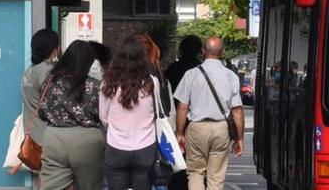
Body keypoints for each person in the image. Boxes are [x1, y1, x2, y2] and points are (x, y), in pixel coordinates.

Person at [174, 37, 244, 190]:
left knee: (195, 173)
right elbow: (237, 110)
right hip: (220, 128)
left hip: (196, 127)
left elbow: (182, 107)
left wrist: (179, 133)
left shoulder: (191, 74)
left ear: (203, 52)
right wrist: (239, 138)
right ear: (223, 52)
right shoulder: (231, 76)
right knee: (216, 177)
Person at [39, 40, 105, 190]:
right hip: (87, 140)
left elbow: (42, 112)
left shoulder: (50, 82)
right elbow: (103, 114)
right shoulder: (94, 85)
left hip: (54, 138)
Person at [100, 37, 157, 190]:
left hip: (116, 146)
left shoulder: (108, 84)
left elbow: (103, 117)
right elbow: (158, 112)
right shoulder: (151, 83)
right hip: (146, 146)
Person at [12, 29, 61, 175]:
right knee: (57, 178)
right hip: (49, 136)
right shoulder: (48, 71)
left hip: (33, 136)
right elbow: (55, 104)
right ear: (53, 48)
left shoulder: (29, 71)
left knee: (43, 176)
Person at [165, 35, 202, 190]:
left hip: (175, 119)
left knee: (178, 159)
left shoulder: (173, 69)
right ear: (199, 50)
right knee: (198, 166)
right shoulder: (201, 70)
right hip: (198, 122)